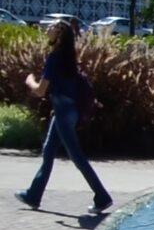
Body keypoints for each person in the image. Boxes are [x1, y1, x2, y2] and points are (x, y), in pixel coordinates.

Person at [15, 19, 111, 216]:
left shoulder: (55, 57)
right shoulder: (67, 57)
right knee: (48, 151)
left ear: (59, 36)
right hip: (66, 110)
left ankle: (102, 196)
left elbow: (41, 91)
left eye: (53, 27)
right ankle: (34, 194)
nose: (48, 28)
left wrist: (30, 81)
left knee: (76, 157)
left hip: (63, 112)